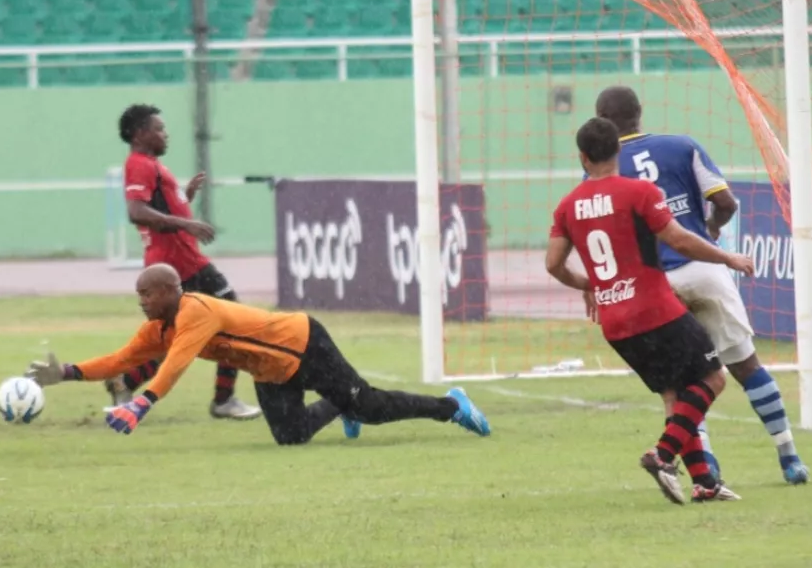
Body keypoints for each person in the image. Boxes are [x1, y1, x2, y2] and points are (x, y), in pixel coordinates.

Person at [596, 86, 809, 485]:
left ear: (602, 122)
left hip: (657, 285)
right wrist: (708, 231)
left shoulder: (606, 169)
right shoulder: (683, 145)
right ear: (640, 114)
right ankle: (789, 457)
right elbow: (727, 202)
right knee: (747, 366)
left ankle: (705, 466)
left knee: (683, 383)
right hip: (705, 268)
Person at [25, 264, 492, 444]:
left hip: (303, 344)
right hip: (270, 369)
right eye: (139, 294)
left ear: (172, 289)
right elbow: (122, 359)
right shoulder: (158, 326)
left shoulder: (196, 310)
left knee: (370, 408)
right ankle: (337, 405)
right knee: (290, 438)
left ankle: (453, 405)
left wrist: (141, 404)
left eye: (147, 293)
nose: (141, 300)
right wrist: (65, 372)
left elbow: (178, 363)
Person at [547, 118, 754, 504]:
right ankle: (661, 455)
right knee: (712, 379)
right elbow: (678, 239)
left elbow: (554, 265)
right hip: (655, 309)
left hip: (614, 321)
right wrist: (727, 257)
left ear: (583, 157)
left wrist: (589, 284)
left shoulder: (567, 206)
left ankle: (705, 483)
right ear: (618, 152)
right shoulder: (639, 191)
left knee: (677, 395)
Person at [107, 104, 261, 421]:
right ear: (140, 134)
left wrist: (183, 199)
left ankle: (128, 380)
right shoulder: (139, 164)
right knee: (235, 322)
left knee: (177, 336)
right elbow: (136, 211)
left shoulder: (151, 165)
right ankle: (223, 399)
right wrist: (187, 224)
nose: (166, 134)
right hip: (182, 265)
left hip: (175, 263)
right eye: (159, 129)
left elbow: (160, 210)